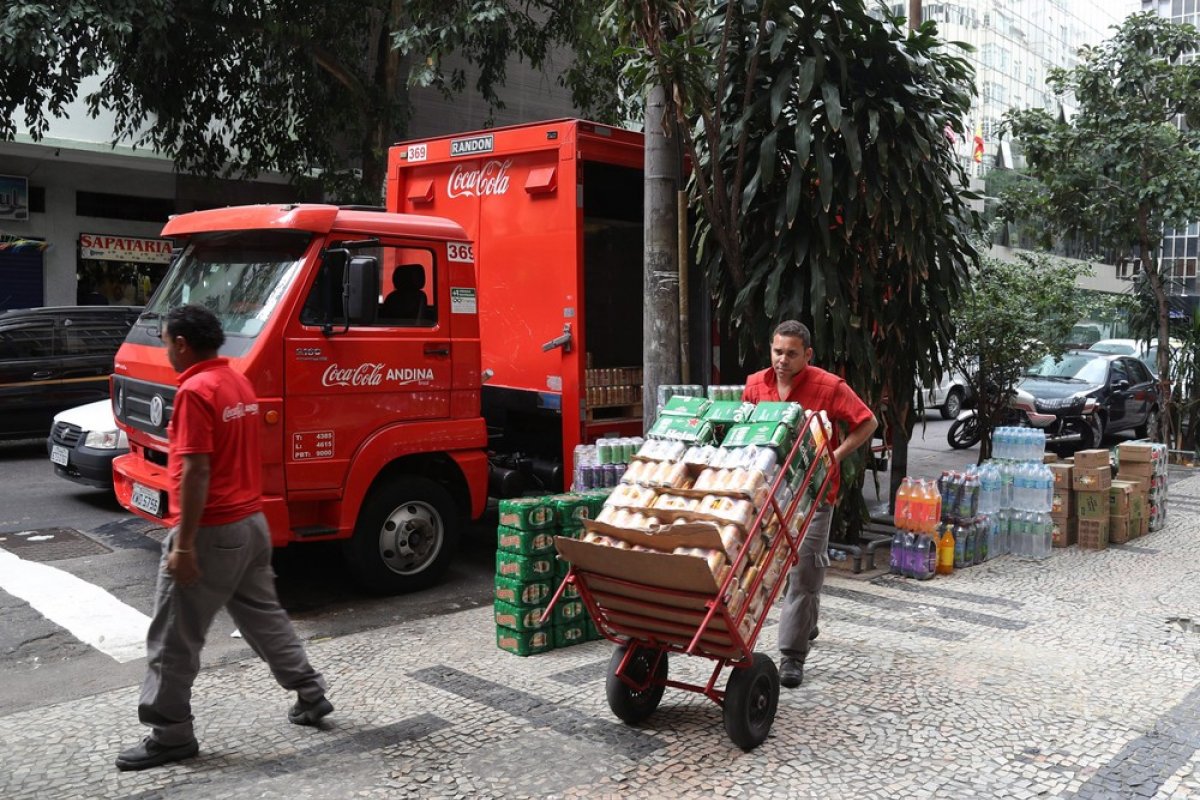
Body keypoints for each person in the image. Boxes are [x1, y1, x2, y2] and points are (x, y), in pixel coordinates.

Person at [116, 304, 333, 771]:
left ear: (181, 344)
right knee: (264, 618)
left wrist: (187, 544)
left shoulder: (196, 390)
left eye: (166, 340)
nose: (164, 349)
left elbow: (195, 468)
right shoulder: (237, 382)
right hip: (249, 524)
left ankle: (170, 734)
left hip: (212, 530)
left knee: (174, 637)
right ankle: (310, 694)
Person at [742, 320, 877, 689]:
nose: (782, 360)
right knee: (762, 569)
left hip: (815, 496)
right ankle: (805, 622)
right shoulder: (755, 385)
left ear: (808, 355)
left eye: (791, 353)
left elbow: (867, 422)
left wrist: (834, 455)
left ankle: (792, 656)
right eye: (777, 351)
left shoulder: (829, 386)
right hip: (768, 494)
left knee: (804, 572)